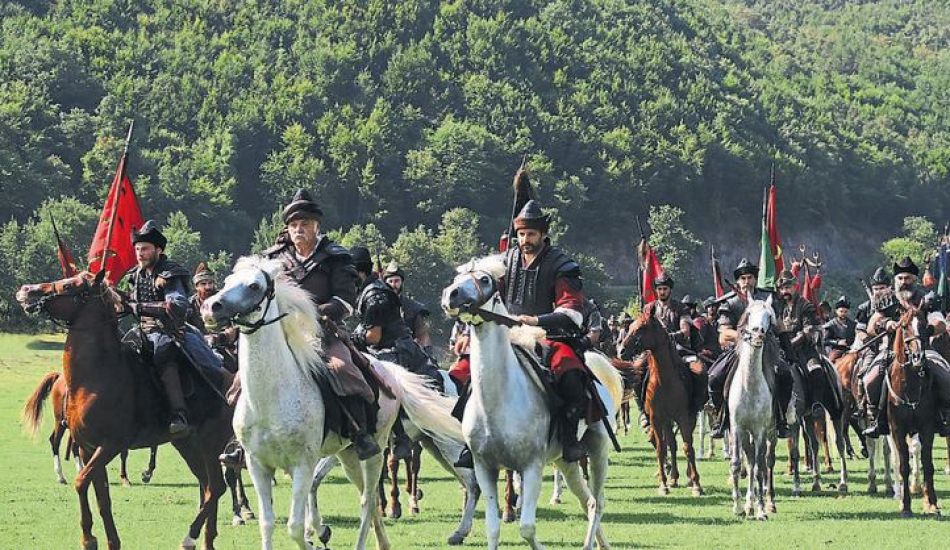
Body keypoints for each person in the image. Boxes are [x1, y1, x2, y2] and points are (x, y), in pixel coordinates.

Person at [220, 189, 380, 465]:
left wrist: (318, 311)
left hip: (322, 332)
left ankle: (359, 432)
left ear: (317, 226)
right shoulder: (274, 260)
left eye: (304, 224)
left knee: (344, 370)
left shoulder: (336, 258)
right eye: (293, 226)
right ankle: (240, 441)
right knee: (240, 381)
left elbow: (347, 300)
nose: (298, 230)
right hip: (278, 334)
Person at [455, 199, 591, 468]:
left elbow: (573, 312)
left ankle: (569, 438)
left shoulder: (563, 265)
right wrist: (465, 331)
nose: (525, 239)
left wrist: (535, 319)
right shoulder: (504, 263)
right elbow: (481, 298)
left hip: (548, 336)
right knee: (461, 371)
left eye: (530, 234)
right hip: (505, 334)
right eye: (521, 234)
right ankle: (470, 440)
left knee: (571, 371)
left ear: (542, 234)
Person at [123, 221, 223, 435]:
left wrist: (139, 307)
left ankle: (179, 413)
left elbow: (177, 305)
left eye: (145, 248)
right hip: (142, 331)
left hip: (168, 331)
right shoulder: (135, 275)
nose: (140, 253)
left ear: (158, 250)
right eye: (138, 249)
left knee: (162, 353)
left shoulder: (169, 273)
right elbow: (128, 302)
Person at [351, 246, 438, 458]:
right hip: (384, 346)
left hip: (396, 349)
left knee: (383, 376)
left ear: (357, 271)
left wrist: (353, 337)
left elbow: (374, 337)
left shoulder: (375, 296)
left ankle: (400, 436)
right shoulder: (368, 290)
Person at [861, 257, 950, 437]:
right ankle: (876, 419)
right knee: (869, 380)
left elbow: (940, 322)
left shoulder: (927, 298)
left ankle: (944, 418)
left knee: (945, 376)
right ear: (895, 280)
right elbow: (871, 325)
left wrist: (927, 329)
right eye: (900, 278)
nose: (904, 282)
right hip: (891, 351)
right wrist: (886, 324)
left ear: (914, 279)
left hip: (923, 349)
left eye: (907, 278)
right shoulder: (886, 298)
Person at [706, 258, 791, 438]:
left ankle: (781, 420)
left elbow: (780, 326)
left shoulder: (767, 299)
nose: (746, 282)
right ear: (738, 281)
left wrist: (788, 348)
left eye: (750, 277)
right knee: (714, 377)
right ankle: (720, 419)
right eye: (743, 278)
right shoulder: (730, 303)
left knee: (785, 375)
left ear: (755, 279)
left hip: (766, 350)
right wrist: (744, 337)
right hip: (737, 351)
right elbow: (723, 333)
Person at [382, 261, 433, 352]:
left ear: (401, 282)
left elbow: (422, 335)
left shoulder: (413, 307)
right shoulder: (378, 305)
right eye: (390, 281)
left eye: (397, 281)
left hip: (408, 352)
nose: (394, 285)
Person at [823, 296, 856, 362]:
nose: (843, 313)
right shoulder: (830, 325)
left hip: (851, 349)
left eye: (845, 312)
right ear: (836, 311)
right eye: (841, 311)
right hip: (836, 349)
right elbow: (824, 341)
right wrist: (837, 342)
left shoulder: (853, 324)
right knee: (831, 360)